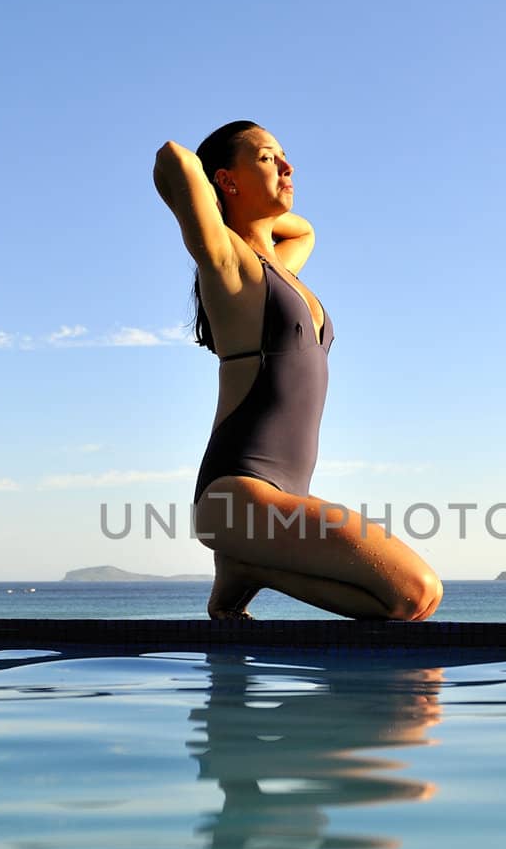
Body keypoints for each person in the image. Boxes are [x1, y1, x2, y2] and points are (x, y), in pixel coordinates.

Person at [153, 121, 443, 621]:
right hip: (237, 492)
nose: (288, 167)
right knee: (414, 593)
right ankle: (253, 567)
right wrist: (219, 209)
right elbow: (173, 159)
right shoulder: (228, 265)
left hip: (284, 495)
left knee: (415, 604)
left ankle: (248, 568)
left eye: (286, 157)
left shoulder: (281, 268)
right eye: (268, 158)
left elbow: (305, 229)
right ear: (226, 180)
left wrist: (261, 197)